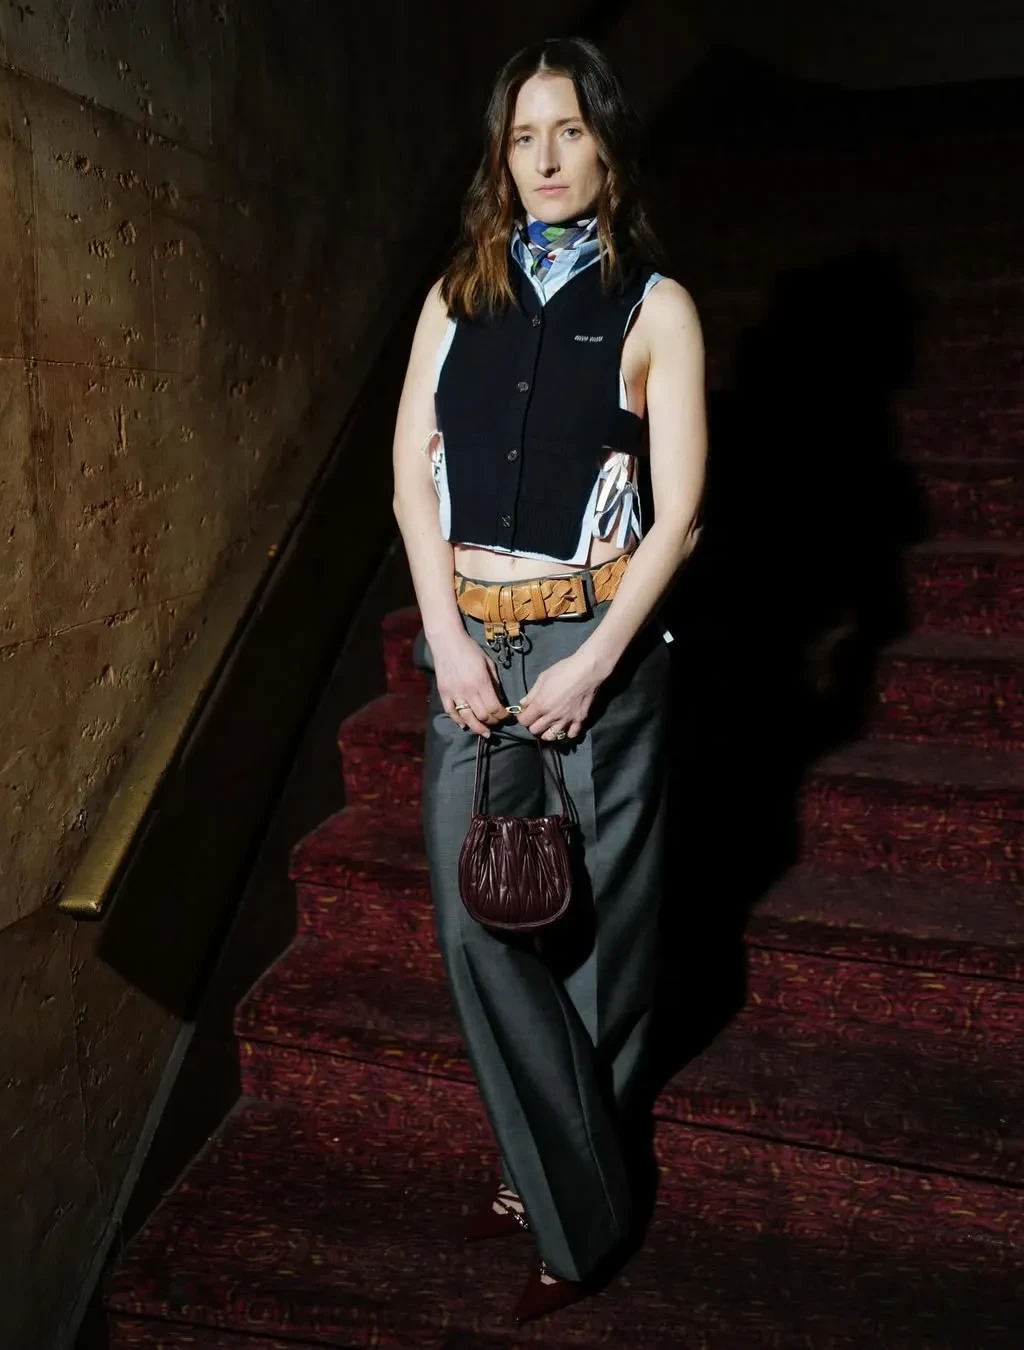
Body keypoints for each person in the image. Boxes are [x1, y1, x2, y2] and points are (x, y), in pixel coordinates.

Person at [391, 35, 706, 1324]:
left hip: (599, 650)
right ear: (500, 157)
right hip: (473, 647)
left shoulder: (656, 307)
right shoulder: (454, 297)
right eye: (523, 137)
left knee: (603, 940)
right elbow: (410, 481)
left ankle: (565, 1213)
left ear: (608, 143)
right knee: (479, 927)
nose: (545, 157)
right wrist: (446, 636)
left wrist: (595, 663)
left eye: (568, 130)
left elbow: (680, 516)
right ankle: (578, 1179)